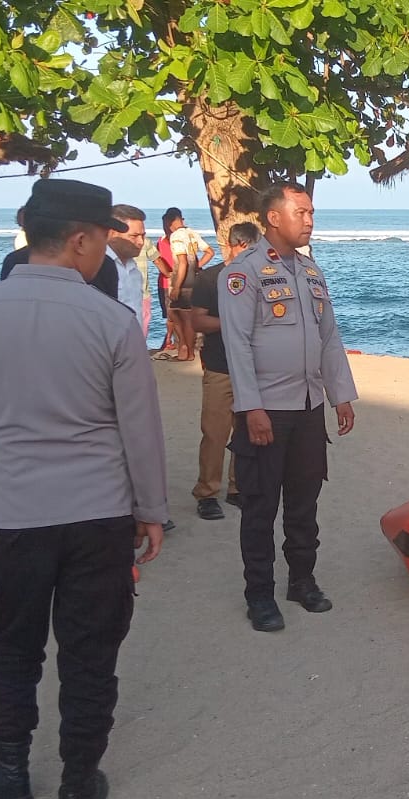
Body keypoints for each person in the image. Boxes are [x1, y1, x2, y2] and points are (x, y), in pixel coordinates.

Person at [0, 178, 168, 799]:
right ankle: (76, 785)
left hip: (15, 515)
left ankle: (9, 775)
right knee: (91, 653)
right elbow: (139, 430)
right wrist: (152, 510)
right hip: (100, 515)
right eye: (102, 243)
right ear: (82, 239)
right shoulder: (112, 322)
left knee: (13, 647)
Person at [218, 182, 358, 632]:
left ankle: (302, 580)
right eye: (301, 212)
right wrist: (250, 407)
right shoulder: (244, 273)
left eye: (312, 212)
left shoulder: (312, 272)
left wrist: (340, 394)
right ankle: (259, 594)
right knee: (260, 506)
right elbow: (236, 343)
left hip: (308, 408)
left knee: (304, 502)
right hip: (267, 410)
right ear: (273, 217)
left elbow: (329, 337)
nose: (310, 220)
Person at [189, 221, 259, 520]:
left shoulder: (260, 279)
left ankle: (237, 488)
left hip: (253, 369)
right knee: (215, 434)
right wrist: (233, 325)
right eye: (252, 249)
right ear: (238, 245)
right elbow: (198, 321)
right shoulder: (210, 278)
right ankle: (206, 493)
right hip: (219, 366)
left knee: (246, 434)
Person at [159, 207, 213, 362]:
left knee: (177, 315)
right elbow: (210, 252)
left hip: (182, 281)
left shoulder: (176, 236)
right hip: (193, 279)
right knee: (182, 315)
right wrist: (197, 266)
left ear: (170, 222)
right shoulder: (192, 233)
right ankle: (186, 348)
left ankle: (186, 349)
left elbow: (182, 262)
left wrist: (176, 286)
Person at [106, 204, 152, 334]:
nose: (141, 242)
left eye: (143, 236)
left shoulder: (134, 271)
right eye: (134, 236)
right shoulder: (99, 268)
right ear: (112, 234)